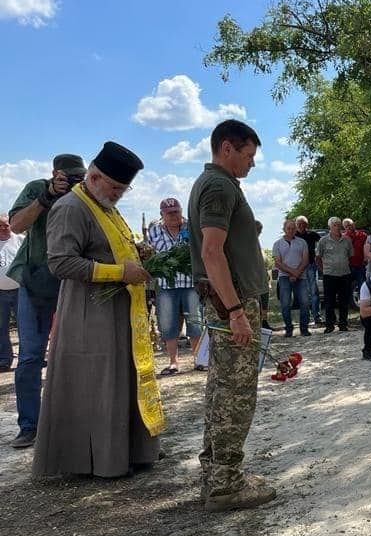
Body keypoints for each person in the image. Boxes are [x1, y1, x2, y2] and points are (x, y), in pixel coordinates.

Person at [33, 142, 163, 477]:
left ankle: (130, 452)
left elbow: (108, 248)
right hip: (89, 315)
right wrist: (120, 272)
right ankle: (97, 461)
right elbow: (61, 262)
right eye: (116, 187)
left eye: (124, 189)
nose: (120, 194)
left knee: (121, 381)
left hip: (119, 312)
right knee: (99, 385)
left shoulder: (105, 206)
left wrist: (136, 251)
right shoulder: (70, 207)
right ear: (93, 177)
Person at [189, 118, 276, 511]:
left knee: (222, 390)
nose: (251, 164)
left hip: (229, 302)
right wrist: (237, 312)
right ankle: (226, 483)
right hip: (233, 303)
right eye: (248, 155)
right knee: (236, 395)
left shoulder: (218, 186)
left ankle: (216, 476)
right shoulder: (219, 187)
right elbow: (211, 253)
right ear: (228, 148)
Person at [7, 153, 86, 448]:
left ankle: (76, 421)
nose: (75, 181)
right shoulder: (36, 188)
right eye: (69, 177)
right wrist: (47, 196)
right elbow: (15, 225)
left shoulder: (85, 195)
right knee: (30, 356)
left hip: (73, 282)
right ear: (55, 174)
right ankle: (29, 425)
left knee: (79, 353)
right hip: (36, 282)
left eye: (80, 175)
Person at [147, 197, 202, 374]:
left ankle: (198, 359)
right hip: (166, 284)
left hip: (190, 282)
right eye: (169, 213)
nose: (173, 215)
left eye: (176, 211)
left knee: (195, 321)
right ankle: (173, 362)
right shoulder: (154, 231)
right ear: (162, 214)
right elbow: (149, 252)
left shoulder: (191, 226)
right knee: (168, 323)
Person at [273, 218, 310, 337]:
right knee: (285, 303)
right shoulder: (277, 244)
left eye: (293, 228)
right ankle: (289, 329)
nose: (291, 230)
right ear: (284, 229)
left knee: (304, 302)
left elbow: (305, 260)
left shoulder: (302, 242)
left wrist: (297, 273)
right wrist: (292, 273)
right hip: (284, 277)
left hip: (301, 276)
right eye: (288, 228)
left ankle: (304, 329)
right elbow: (278, 263)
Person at [316, 216, 354, 333]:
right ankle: (329, 325)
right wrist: (324, 269)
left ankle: (343, 324)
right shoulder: (323, 241)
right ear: (330, 227)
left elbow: (350, 255)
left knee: (344, 301)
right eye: (335, 225)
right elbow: (318, 257)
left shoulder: (347, 240)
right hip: (329, 275)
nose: (338, 227)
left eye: (339, 225)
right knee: (329, 302)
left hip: (344, 274)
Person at [0, 215, 22, 373]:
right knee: (1, 328)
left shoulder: (20, 240)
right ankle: (4, 359)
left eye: (5, 225)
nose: (2, 229)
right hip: (0, 293)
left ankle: (28, 358)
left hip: (20, 291)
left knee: (25, 327)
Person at [294, 216, 322, 324]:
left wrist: (319, 255)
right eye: (299, 224)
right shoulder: (293, 236)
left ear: (307, 224)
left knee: (314, 292)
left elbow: (324, 242)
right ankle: (306, 317)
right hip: (299, 268)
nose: (301, 226)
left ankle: (317, 316)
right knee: (303, 294)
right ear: (296, 225)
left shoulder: (312, 234)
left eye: (303, 223)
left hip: (311, 266)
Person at [342, 217, 367, 314]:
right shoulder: (343, 237)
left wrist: (366, 258)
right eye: (346, 226)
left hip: (360, 266)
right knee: (346, 288)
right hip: (347, 267)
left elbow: (368, 247)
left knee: (362, 287)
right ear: (344, 228)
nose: (349, 227)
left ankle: (363, 310)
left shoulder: (362, 235)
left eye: (350, 225)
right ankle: (348, 309)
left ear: (354, 224)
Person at [255, 220, 271, 331]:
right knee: (257, 304)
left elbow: (266, 263)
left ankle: (264, 322)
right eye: (258, 230)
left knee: (264, 303)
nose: (259, 232)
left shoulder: (258, 244)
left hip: (263, 279)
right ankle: (259, 325)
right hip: (254, 281)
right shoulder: (248, 243)